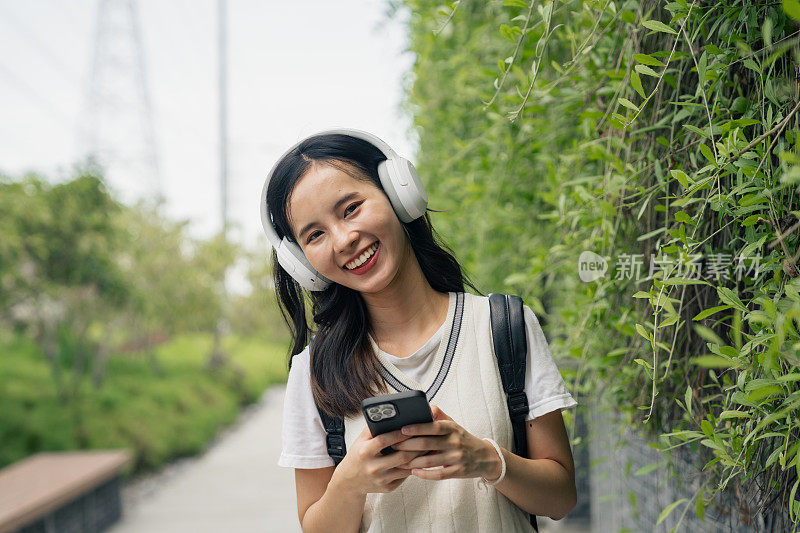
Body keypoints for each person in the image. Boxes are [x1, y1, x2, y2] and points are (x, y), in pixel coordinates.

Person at [261, 129, 578, 532]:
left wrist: (484, 459)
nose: (344, 239)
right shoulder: (313, 373)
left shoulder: (504, 327)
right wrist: (350, 483)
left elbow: (562, 498)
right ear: (302, 263)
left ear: (399, 194)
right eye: (315, 235)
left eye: (351, 208)